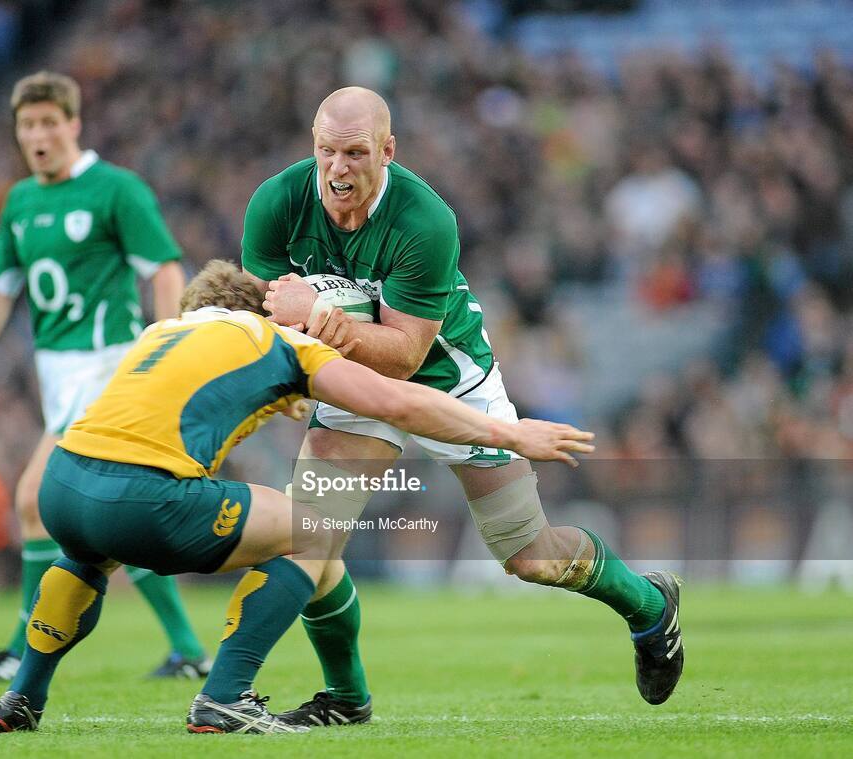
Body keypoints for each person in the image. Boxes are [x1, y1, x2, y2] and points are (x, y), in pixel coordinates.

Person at [0, 260, 594, 734]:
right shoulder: (276, 340)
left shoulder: (161, 332)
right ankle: (225, 697)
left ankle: (22, 698)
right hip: (143, 494)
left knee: (91, 556)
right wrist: (510, 431)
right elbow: (395, 401)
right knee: (314, 530)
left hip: (66, 485)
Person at [242, 86, 685, 726]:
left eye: (356, 153)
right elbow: (261, 311)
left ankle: (647, 605)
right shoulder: (277, 202)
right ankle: (345, 698)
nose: (338, 169)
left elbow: (403, 356)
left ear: (387, 151)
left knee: (529, 555)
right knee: (309, 544)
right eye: (326, 152)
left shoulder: (425, 219)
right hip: (347, 376)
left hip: (448, 376)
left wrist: (314, 316)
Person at [0, 71, 210, 681]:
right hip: (59, 379)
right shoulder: (21, 202)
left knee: (35, 498)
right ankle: (187, 649)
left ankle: (20, 653)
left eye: (48, 123)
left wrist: (168, 344)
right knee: (92, 519)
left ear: (73, 125)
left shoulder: (116, 190)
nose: (37, 135)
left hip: (110, 368)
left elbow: (163, 268)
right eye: (27, 125)